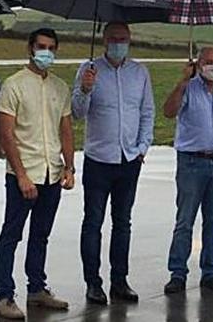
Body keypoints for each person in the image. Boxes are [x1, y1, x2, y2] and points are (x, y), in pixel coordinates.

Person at [0, 28, 74, 320]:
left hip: (52, 172)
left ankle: (37, 289)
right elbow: (6, 134)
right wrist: (21, 174)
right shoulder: (13, 85)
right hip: (23, 175)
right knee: (11, 234)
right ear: (30, 47)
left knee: (41, 235)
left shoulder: (60, 87)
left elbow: (65, 129)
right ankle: (4, 295)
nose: (46, 52)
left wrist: (69, 166)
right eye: (41, 46)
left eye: (51, 47)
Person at [71, 22, 153, 305]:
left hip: (129, 160)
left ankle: (120, 280)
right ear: (104, 41)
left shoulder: (139, 73)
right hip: (98, 159)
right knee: (93, 222)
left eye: (124, 39)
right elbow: (77, 113)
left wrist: (142, 147)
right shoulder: (89, 69)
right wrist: (85, 89)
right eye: (114, 39)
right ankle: (93, 283)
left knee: (123, 223)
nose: (119, 43)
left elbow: (147, 112)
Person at [161, 47, 213, 295]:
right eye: (208, 62)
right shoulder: (189, 88)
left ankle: (210, 272)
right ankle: (177, 273)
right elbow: (169, 111)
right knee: (185, 220)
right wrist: (183, 81)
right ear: (198, 64)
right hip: (192, 163)